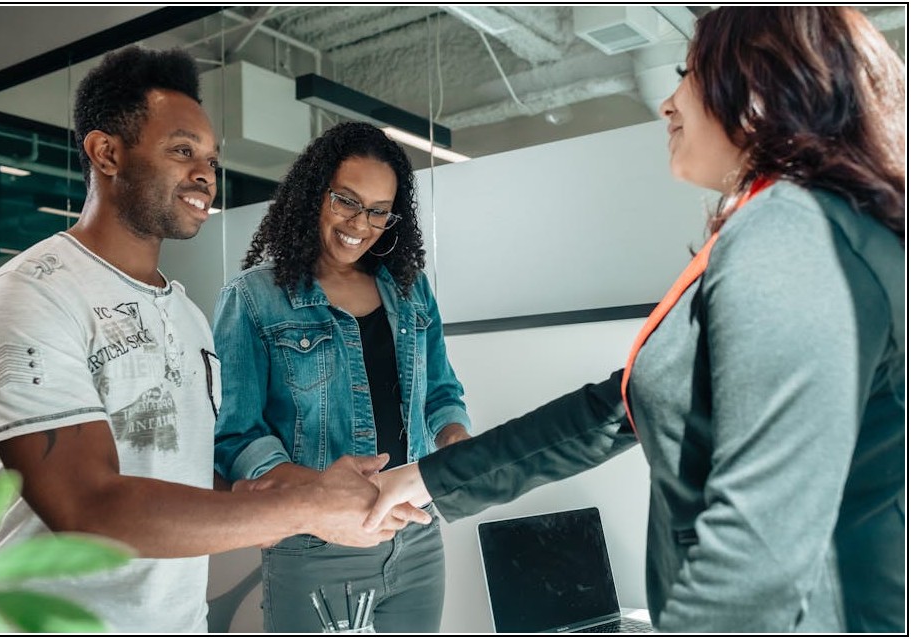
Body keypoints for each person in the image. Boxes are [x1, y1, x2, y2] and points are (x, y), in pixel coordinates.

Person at [365, 6, 905, 634]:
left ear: (761, 88)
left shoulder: (791, 236)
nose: (668, 103)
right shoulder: (798, 228)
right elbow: (617, 410)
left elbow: (759, 551)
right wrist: (429, 478)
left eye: (689, 74)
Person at [0, 46, 427, 634]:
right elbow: (86, 507)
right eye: (182, 151)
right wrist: (307, 509)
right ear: (107, 152)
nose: (205, 174)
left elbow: (191, 476)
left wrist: (316, 485)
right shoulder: (32, 293)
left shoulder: (184, 314)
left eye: (211, 157)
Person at [212, 121, 472, 633]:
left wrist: (455, 439)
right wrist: (318, 494)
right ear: (315, 195)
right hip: (316, 542)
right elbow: (236, 434)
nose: (361, 223)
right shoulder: (252, 298)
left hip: (416, 538)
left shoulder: (410, 289)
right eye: (347, 201)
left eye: (378, 211)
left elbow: (442, 392)